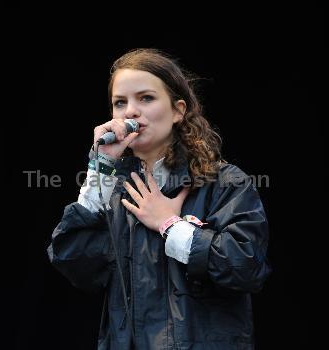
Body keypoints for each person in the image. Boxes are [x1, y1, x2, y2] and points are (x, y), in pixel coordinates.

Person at [47, 48, 271, 350]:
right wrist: (98, 173)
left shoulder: (226, 182)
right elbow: (74, 262)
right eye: (120, 103)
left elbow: (246, 268)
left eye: (146, 98)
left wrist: (170, 224)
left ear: (178, 111)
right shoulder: (112, 189)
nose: (131, 112)